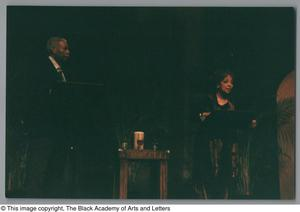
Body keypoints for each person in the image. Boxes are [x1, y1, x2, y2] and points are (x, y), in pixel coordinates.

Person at [192, 70, 239, 199]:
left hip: (224, 148)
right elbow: (198, 120)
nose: (230, 85)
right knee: (205, 178)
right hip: (207, 146)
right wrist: (204, 116)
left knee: (223, 181)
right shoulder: (207, 101)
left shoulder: (231, 106)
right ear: (218, 84)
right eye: (226, 82)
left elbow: (233, 129)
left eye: (231, 82)